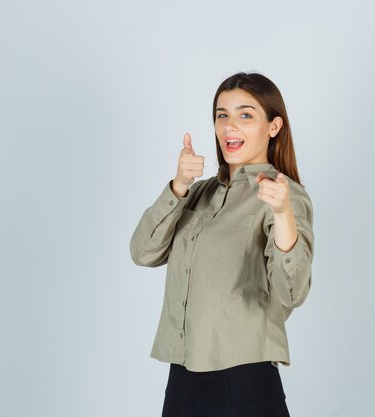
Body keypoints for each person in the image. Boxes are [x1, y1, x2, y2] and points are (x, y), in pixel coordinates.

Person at [130, 72, 314, 417]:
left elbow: (292, 292)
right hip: (184, 376)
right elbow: (143, 252)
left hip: (245, 377)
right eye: (222, 115)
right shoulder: (199, 193)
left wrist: (283, 214)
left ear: (273, 127)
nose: (231, 126)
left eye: (245, 115)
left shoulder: (284, 194)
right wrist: (179, 185)